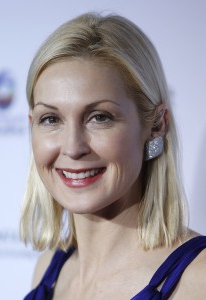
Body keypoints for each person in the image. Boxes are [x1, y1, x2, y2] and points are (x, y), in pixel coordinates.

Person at [20, 12, 206, 300]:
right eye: (51, 119)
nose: (72, 147)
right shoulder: (49, 268)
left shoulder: (199, 278)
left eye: (99, 117)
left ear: (156, 125)